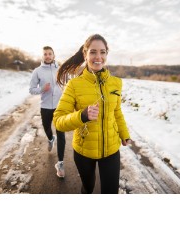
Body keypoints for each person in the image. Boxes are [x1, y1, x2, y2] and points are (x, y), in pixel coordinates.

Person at [53, 34, 131, 194]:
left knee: (110, 192)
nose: (98, 57)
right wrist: (82, 115)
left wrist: (124, 133)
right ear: (85, 54)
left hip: (111, 150)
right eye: (93, 52)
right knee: (88, 188)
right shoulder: (74, 85)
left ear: (106, 54)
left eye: (102, 52)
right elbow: (59, 121)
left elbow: (116, 112)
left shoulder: (116, 83)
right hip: (84, 151)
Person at [29, 46, 66, 178]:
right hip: (45, 106)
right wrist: (42, 89)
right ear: (43, 56)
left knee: (61, 134)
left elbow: (66, 84)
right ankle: (50, 139)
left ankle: (60, 163)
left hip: (60, 107)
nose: (48, 56)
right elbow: (32, 89)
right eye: (45, 54)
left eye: (50, 54)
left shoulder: (60, 69)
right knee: (47, 128)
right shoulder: (37, 71)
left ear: (54, 55)